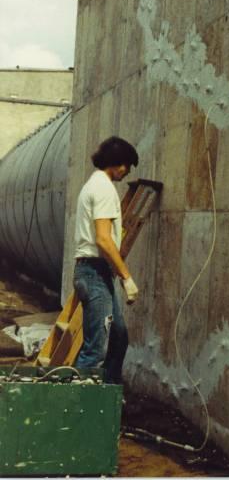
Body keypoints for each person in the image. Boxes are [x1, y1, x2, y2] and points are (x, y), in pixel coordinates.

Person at [73, 136, 139, 383]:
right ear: (117, 163)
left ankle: (107, 401)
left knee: (118, 338)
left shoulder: (95, 184)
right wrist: (127, 277)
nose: (127, 171)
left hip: (95, 272)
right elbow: (103, 239)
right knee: (95, 351)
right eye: (127, 165)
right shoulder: (103, 188)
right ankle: (80, 413)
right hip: (94, 272)